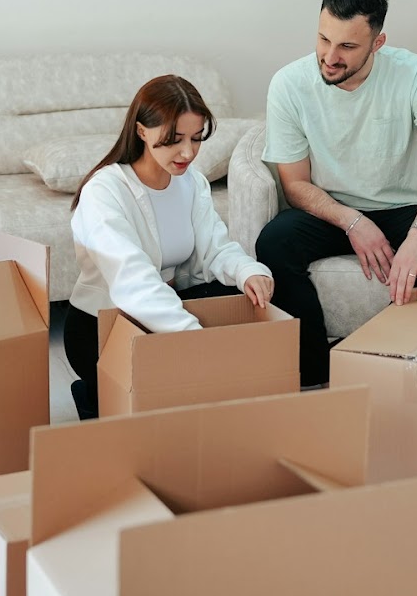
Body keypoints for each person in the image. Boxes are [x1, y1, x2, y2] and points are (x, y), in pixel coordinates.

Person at [257, 0, 417, 386]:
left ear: (378, 42)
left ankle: (399, 361)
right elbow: (295, 185)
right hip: (331, 209)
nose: (329, 57)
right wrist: (353, 221)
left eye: (347, 47)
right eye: (323, 39)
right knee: (274, 241)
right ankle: (315, 371)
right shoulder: (289, 84)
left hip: (403, 209)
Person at [66, 74, 274, 419]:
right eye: (174, 140)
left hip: (168, 311)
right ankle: (94, 390)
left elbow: (215, 248)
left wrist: (248, 271)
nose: (188, 152)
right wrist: (195, 340)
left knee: (250, 298)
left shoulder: (190, 181)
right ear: (142, 131)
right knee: (169, 401)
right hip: (103, 326)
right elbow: (133, 281)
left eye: (196, 138)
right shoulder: (105, 192)